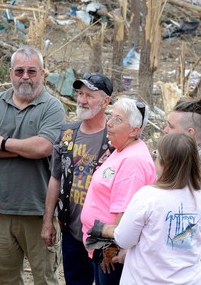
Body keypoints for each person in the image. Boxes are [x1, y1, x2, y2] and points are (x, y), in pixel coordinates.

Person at [0, 45, 65, 285]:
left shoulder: (53, 107)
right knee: (5, 278)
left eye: (32, 71)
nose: (25, 77)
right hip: (1, 210)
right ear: (10, 72)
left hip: (40, 211)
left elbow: (44, 147)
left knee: (45, 279)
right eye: (19, 70)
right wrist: (25, 149)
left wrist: (2, 143)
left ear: (43, 73)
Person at [42, 72, 114, 285]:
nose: (82, 100)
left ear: (105, 101)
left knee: (106, 281)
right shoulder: (66, 133)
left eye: (90, 95)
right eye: (80, 94)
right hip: (72, 230)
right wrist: (48, 221)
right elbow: (55, 178)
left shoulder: (115, 137)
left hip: (104, 233)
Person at [112, 133, 201, 284]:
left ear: (165, 163)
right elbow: (198, 240)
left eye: (156, 155)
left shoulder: (147, 197)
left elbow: (123, 240)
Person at [80, 97, 157, 285]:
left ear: (134, 130)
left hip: (111, 255)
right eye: (111, 116)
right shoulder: (121, 150)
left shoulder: (133, 161)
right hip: (99, 247)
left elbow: (124, 212)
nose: (110, 123)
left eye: (118, 120)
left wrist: (110, 249)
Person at [163, 96, 201, 285]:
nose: (165, 130)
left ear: (190, 133)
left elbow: (176, 237)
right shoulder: (196, 157)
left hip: (189, 271)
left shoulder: (193, 170)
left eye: (171, 127)